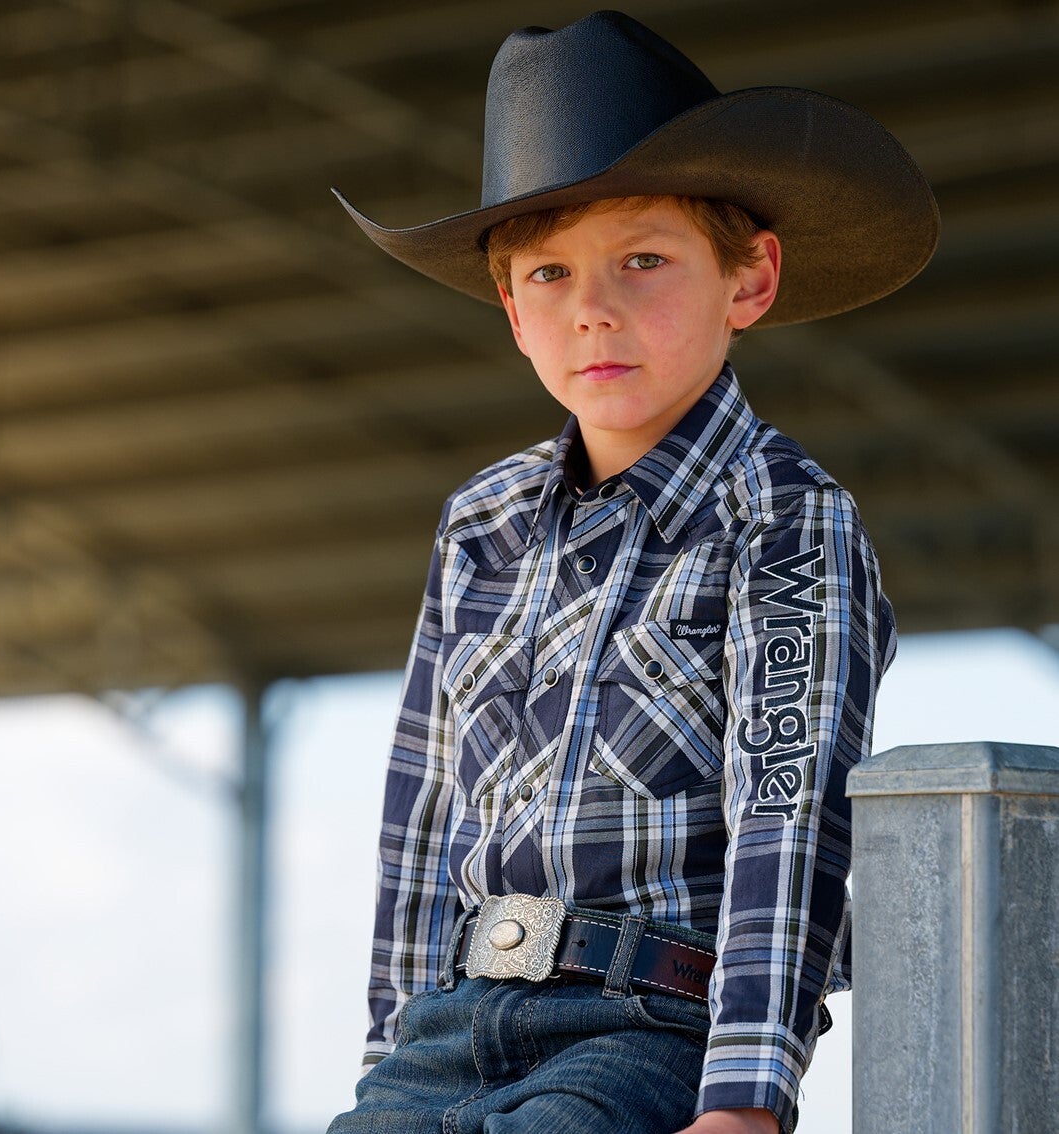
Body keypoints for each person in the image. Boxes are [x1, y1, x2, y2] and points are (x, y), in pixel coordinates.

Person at [328, 11, 938, 1134]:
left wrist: (749, 1095)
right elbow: (419, 814)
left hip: (649, 1028)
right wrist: (387, 1056)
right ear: (513, 311)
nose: (593, 308)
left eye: (643, 261)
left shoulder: (788, 520)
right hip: (451, 1029)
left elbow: (789, 816)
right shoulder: (481, 522)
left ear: (748, 280)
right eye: (550, 272)